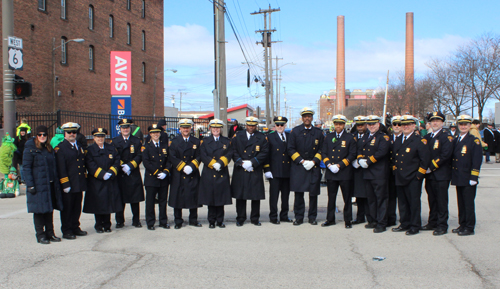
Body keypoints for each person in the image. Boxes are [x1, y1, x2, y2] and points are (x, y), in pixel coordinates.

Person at [23, 125, 63, 244]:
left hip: (49, 183)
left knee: (49, 210)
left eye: (44, 135)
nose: (42, 137)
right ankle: (40, 235)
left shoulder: (48, 148)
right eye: (39, 135)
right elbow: (26, 167)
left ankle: (50, 233)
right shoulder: (30, 148)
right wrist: (30, 184)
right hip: (38, 184)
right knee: (39, 211)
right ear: (36, 136)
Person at [391, 115, 429, 236]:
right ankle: (404, 223)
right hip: (400, 176)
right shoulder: (398, 139)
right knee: (402, 202)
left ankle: (414, 225)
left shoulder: (419, 140)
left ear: (414, 126)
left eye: (408, 124)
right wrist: (395, 171)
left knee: (413, 203)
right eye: (403, 125)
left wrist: (419, 175)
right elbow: (394, 157)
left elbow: (425, 160)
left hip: (413, 177)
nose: (405, 127)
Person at [288, 107, 325, 226]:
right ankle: (298, 217)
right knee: (299, 194)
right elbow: (290, 148)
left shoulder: (318, 132)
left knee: (313, 194)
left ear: (312, 118)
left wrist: (314, 161)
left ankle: (312, 217)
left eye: (309, 116)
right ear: (302, 118)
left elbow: (322, 149)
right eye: (305, 116)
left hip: (313, 167)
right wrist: (302, 161)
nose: (307, 118)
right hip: (299, 167)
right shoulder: (295, 131)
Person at [231, 116, 269, 226]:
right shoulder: (238, 136)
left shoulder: (261, 137)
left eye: (253, 125)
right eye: (249, 125)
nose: (251, 127)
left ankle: (255, 218)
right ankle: (240, 218)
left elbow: (264, 152)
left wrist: (252, 162)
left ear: (256, 126)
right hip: (240, 168)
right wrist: (241, 163)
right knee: (240, 195)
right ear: (246, 125)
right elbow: (233, 151)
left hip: (254, 168)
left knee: (255, 195)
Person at [83, 128, 122, 233]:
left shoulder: (111, 148)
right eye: (98, 137)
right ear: (94, 138)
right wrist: (102, 174)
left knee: (108, 203)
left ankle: (107, 225)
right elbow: (90, 164)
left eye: (102, 136)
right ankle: (99, 225)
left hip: (109, 180)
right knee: (98, 204)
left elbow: (117, 160)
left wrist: (111, 172)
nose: (100, 139)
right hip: (97, 181)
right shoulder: (90, 150)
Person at [355, 115, 390, 233]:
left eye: (373, 124)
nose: (371, 126)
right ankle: (373, 220)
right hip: (367, 172)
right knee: (371, 199)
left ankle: (382, 223)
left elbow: (382, 152)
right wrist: (360, 159)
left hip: (379, 173)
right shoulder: (365, 136)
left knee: (381, 199)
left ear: (378, 124)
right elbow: (359, 149)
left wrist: (368, 161)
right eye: (369, 124)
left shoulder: (383, 137)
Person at [421, 112, 454, 235]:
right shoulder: (428, 138)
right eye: (433, 121)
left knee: (441, 201)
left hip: (441, 175)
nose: (435, 123)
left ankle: (442, 225)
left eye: (438, 121)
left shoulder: (446, 137)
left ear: (442, 123)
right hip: (429, 175)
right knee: (432, 200)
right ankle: (432, 222)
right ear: (429, 123)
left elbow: (445, 155)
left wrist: (431, 166)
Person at [321, 115, 356, 229]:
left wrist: (340, 165)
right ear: (334, 125)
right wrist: (329, 165)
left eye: (340, 124)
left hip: (344, 172)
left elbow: (352, 154)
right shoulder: (328, 137)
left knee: (347, 198)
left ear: (344, 125)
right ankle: (330, 219)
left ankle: (348, 220)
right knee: (331, 198)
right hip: (331, 171)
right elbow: (324, 152)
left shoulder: (350, 137)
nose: (338, 126)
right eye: (336, 124)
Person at [55, 122, 88, 240]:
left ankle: (75, 227)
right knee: (67, 208)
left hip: (78, 182)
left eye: (74, 132)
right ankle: (67, 230)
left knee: (77, 207)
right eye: (69, 132)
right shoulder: (61, 148)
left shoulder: (78, 145)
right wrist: (65, 183)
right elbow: (61, 167)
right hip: (68, 183)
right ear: (65, 133)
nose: (72, 134)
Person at [168, 119, 202, 229]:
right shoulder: (174, 141)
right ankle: (178, 221)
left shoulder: (196, 141)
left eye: (187, 127)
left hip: (192, 172)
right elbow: (172, 156)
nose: (186, 129)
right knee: (178, 197)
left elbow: (199, 155)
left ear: (191, 128)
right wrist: (183, 167)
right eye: (183, 127)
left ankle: (193, 220)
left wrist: (191, 167)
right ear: (180, 129)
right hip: (179, 173)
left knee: (193, 196)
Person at [451, 115, 482, 236]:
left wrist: (474, 177)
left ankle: (469, 227)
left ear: (470, 126)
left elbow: (477, 160)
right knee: (461, 203)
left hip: (468, 177)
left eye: (466, 124)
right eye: (461, 124)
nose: (463, 126)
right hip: (459, 176)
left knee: (468, 204)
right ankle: (462, 224)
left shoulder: (474, 140)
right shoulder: (456, 139)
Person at [199, 119, 233, 228]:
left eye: (217, 128)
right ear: (210, 129)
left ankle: (220, 220)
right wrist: (213, 163)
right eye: (214, 128)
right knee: (211, 198)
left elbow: (229, 154)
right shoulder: (205, 141)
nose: (216, 130)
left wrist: (220, 163)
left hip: (221, 171)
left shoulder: (226, 141)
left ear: (220, 129)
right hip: (209, 172)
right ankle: (211, 221)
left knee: (220, 198)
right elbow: (203, 155)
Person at [112, 119, 145, 228]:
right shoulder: (115, 141)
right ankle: (119, 221)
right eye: (123, 128)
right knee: (120, 199)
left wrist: (130, 166)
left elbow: (139, 155)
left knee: (135, 199)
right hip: (121, 173)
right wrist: (122, 166)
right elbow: (115, 156)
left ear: (130, 128)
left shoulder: (136, 141)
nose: (125, 129)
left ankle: (136, 220)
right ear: (120, 129)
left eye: (127, 128)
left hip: (133, 172)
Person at [263, 116, 292, 224]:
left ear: (285, 125)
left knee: (285, 196)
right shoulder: (269, 137)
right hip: (274, 171)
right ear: (275, 126)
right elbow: (266, 155)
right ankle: (273, 216)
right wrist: (267, 169)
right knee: (274, 196)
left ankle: (284, 215)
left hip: (287, 171)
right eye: (278, 125)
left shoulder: (290, 136)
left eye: (282, 125)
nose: (280, 127)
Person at [142, 124, 171, 230]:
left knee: (163, 201)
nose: (156, 134)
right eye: (153, 133)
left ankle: (163, 222)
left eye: (157, 132)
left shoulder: (164, 146)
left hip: (163, 178)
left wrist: (165, 172)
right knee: (150, 202)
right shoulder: (146, 147)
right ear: (150, 134)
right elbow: (146, 162)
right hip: (151, 178)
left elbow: (168, 160)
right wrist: (156, 172)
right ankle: (150, 223)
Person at [351, 116, 373, 225]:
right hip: (356, 169)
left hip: (367, 167)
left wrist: (363, 161)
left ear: (366, 125)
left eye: (362, 125)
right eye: (358, 125)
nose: (360, 127)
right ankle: (360, 217)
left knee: (368, 194)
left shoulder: (370, 135)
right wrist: (353, 161)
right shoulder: (353, 136)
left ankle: (370, 217)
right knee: (359, 194)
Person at [386, 116, 402, 227]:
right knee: (390, 196)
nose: (396, 126)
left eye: (399, 124)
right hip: (389, 172)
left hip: (402, 172)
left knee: (402, 197)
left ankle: (405, 218)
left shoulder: (405, 138)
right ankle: (391, 218)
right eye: (394, 124)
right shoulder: (388, 138)